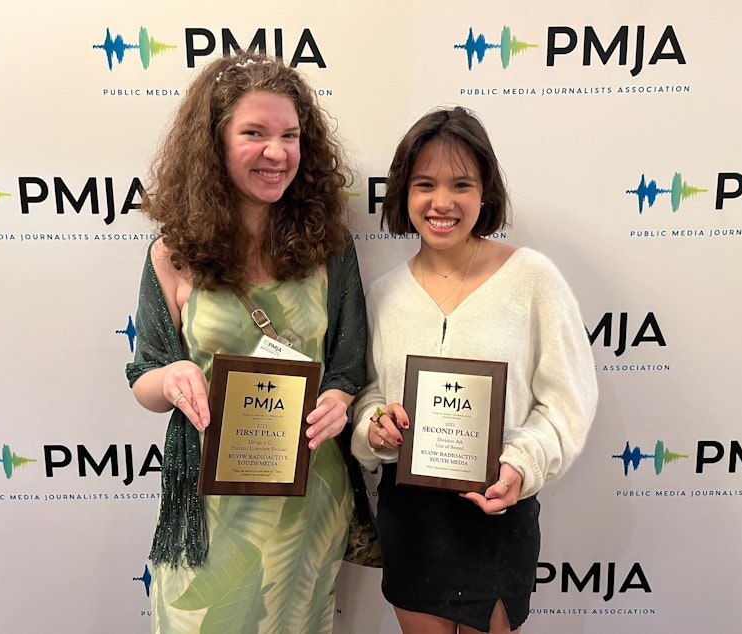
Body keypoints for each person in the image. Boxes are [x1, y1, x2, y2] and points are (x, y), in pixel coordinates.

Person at [125, 52, 367, 633]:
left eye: (290, 135)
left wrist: (339, 400)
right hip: (207, 508)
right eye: (253, 133)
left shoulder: (330, 249)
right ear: (213, 143)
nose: (276, 152)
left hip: (305, 500)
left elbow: (348, 367)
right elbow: (145, 381)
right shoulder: (171, 254)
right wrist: (172, 379)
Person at [351, 106, 597, 634]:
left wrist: (522, 465)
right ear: (403, 194)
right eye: (424, 184)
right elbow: (368, 392)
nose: (442, 202)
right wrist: (376, 427)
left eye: (461, 184)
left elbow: (566, 401)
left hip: (496, 512)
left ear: (485, 191)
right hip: (412, 520)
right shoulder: (383, 294)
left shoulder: (532, 279)